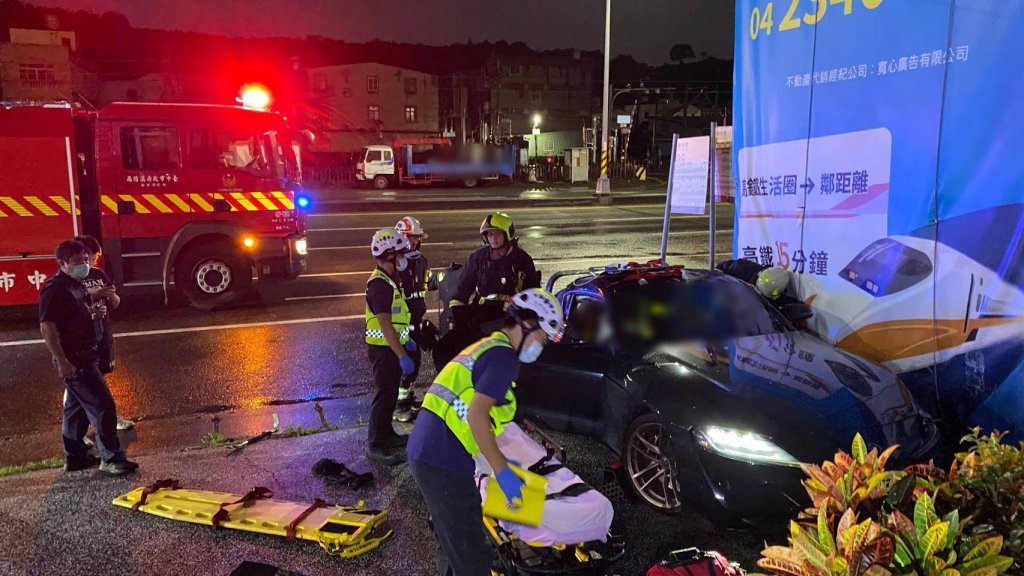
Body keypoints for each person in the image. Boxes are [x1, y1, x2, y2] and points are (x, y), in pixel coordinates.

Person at [407, 288, 564, 575]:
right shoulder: (503, 357)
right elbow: (477, 416)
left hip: (429, 451)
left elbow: (479, 414)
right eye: (541, 338)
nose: (539, 346)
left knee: (452, 540)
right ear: (527, 324)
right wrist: (502, 471)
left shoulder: (489, 346)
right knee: (472, 557)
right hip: (442, 460)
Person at [39, 240, 138, 475]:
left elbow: (77, 314)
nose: (85, 264)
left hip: (87, 355)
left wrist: (94, 312)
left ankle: (76, 458)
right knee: (103, 406)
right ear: (62, 263)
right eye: (78, 261)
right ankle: (111, 458)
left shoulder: (78, 283)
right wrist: (62, 361)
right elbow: (48, 328)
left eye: (86, 259)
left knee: (75, 411)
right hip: (75, 360)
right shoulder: (55, 290)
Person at [364, 228, 416, 465]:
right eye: (401, 252)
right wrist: (402, 354)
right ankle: (375, 444)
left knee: (391, 394)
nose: (404, 256)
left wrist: (407, 339)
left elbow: (397, 319)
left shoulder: (390, 279)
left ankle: (387, 435)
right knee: (384, 396)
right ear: (390, 254)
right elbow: (385, 325)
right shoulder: (379, 284)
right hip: (384, 350)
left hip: (390, 348)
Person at [74, 235, 133, 430]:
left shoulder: (99, 274)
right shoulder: (72, 280)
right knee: (79, 386)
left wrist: (110, 294)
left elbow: (115, 303)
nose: (91, 262)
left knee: (100, 377)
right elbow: (70, 308)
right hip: (82, 339)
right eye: (88, 257)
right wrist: (93, 296)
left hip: (102, 334)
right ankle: (87, 426)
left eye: (94, 257)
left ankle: (103, 420)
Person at [393, 215, 436, 423]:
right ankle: (400, 407)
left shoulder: (420, 261)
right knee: (407, 365)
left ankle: (408, 398)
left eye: (415, 238)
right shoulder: (396, 265)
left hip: (416, 321)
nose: (413, 242)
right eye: (408, 238)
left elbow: (427, 284)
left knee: (415, 363)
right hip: (403, 326)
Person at [451, 212, 539, 308]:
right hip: (482, 312)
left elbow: (533, 294)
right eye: (490, 234)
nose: (493, 238)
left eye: (497, 234)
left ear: (507, 234)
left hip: (511, 314)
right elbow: (462, 290)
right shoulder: (477, 258)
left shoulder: (523, 260)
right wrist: (455, 315)